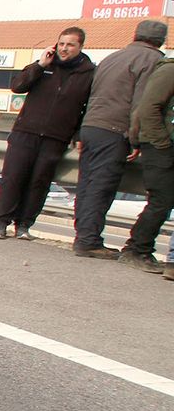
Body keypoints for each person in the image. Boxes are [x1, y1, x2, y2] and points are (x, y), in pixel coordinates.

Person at [72, 19, 167, 258]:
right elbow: (141, 104)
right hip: (115, 129)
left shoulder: (113, 57)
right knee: (101, 186)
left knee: (87, 183)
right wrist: (135, 139)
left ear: (135, 35)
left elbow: (91, 94)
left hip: (92, 126)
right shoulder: (153, 61)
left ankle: (83, 235)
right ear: (161, 41)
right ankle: (89, 241)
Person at [0, 27, 95, 240]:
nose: (64, 49)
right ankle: (1, 222)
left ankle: (24, 225)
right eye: (62, 44)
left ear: (80, 47)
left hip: (56, 137)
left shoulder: (89, 73)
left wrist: (77, 135)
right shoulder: (44, 66)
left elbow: (86, 108)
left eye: (70, 45)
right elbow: (17, 86)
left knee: (39, 182)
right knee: (13, 178)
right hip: (25, 132)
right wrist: (40, 65)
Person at [124, 49, 174, 276]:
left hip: (161, 144)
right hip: (159, 146)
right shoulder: (169, 70)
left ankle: (138, 249)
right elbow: (147, 108)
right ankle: (136, 250)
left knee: (163, 201)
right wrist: (161, 143)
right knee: (161, 200)